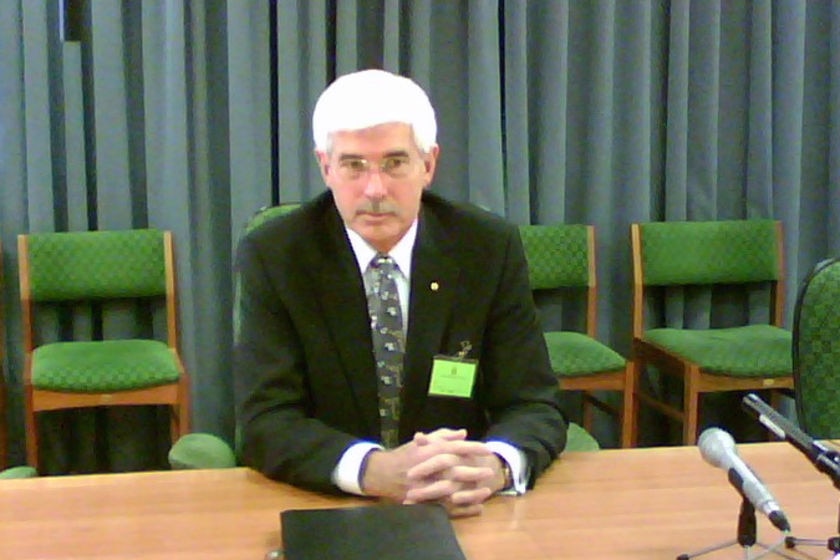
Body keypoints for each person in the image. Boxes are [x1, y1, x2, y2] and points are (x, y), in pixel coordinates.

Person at [234, 69, 566, 517]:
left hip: (460, 509)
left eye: (394, 163)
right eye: (353, 165)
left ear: (428, 165)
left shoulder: (486, 247)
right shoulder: (276, 254)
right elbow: (265, 421)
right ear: (324, 167)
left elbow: (533, 402)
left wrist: (497, 465)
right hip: (325, 503)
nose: (374, 190)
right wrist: (370, 470)